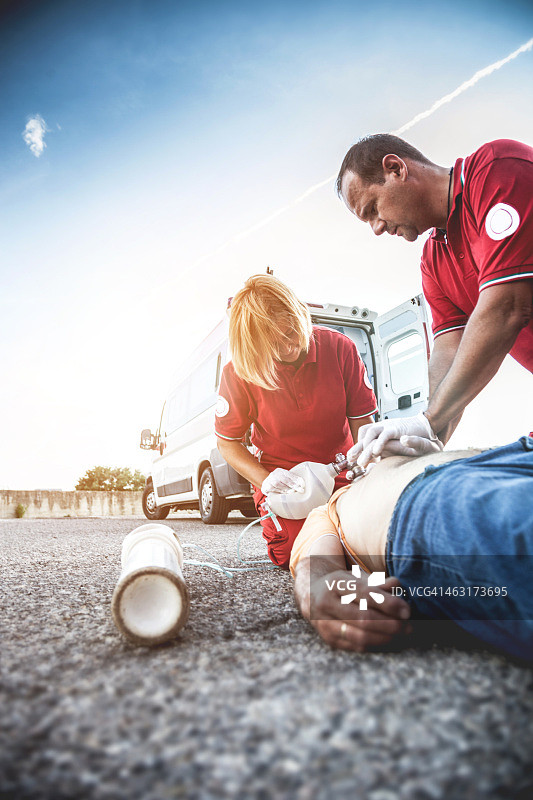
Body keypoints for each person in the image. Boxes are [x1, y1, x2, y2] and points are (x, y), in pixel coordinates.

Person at [336, 134, 533, 467]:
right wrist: (427, 436)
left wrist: (430, 419)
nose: (377, 228)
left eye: (373, 209)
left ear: (395, 169)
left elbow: (508, 306)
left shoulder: (495, 169)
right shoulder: (433, 262)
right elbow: (448, 352)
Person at [291, 435, 533, 662]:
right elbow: (315, 566)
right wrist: (313, 592)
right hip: (437, 495)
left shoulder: (393, 451)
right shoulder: (326, 509)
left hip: (513, 452)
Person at [215, 274, 378, 569]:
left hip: (339, 470)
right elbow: (227, 443)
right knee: (298, 552)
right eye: (273, 344)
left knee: (366, 543)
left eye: (290, 333)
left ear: (299, 315)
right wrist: (266, 481)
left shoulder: (340, 349)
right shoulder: (238, 372)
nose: (288, 347)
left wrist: (366, 470)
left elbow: (362, 425)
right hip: (284, 483)